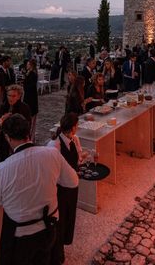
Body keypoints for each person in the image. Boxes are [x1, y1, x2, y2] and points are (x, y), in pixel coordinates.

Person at [0, 114, 79, 265]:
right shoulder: (52, 154)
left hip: (21, 239)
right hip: (49, 230)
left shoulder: (0, 170)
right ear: (29, 133)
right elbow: (73, 181)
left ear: (7, 137)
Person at [47, 113, 85, 265]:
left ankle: (62, 246)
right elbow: (51, 171)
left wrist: (83, 159)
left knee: (69, 217)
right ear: (73, 127)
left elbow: (79, 158)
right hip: (59, 190)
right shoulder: (54, 146)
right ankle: (56, 254)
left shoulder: (75, 139)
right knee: (59, 220)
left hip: (72, 187)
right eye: (77, 125)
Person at [0, 85, 32, 161]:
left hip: (19, 139)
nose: (11, 98)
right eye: (9, 95)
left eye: (13, 96)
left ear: (19, 96)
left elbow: (28, 125)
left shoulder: (24, 108)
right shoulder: (3, 106)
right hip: (5, 139)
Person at [23, 59, 39, 142]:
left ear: (31, 65)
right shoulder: (29, 73)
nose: (27, 65)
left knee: (31, 118)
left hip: (31, 98)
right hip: (29, 96)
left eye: (28, 64)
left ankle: (31, 138)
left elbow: (29, 86)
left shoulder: (32, 74)